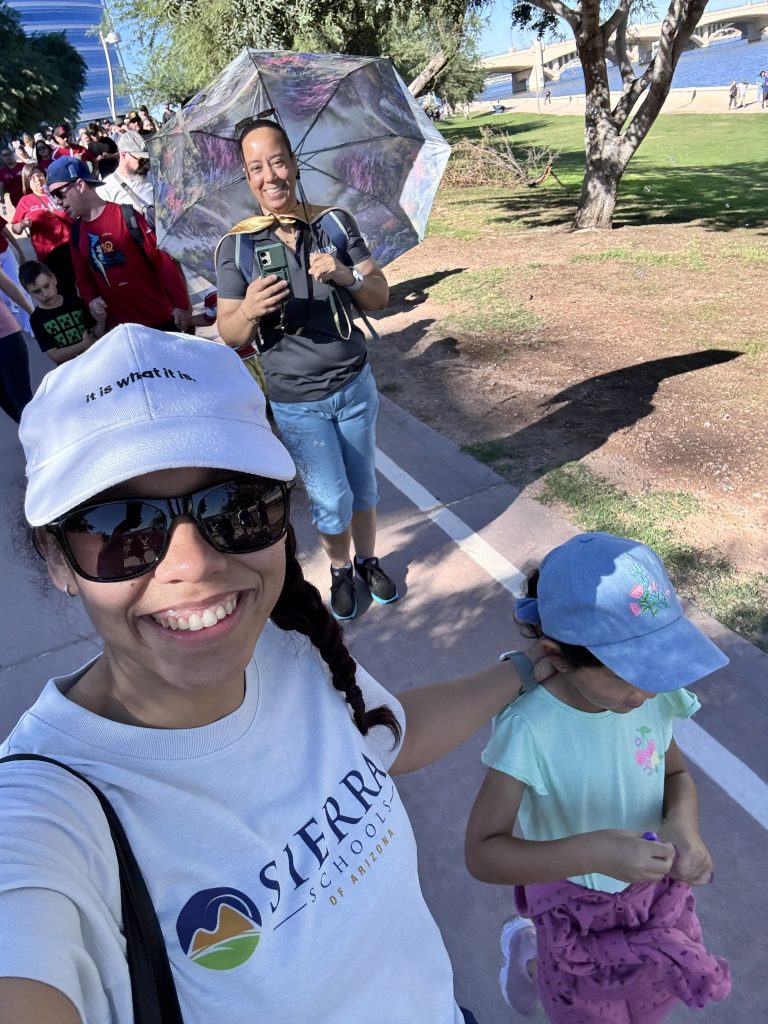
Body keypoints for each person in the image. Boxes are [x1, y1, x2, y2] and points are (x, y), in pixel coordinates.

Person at [0, 323, 551, 1023]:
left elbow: (388, 738)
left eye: (234, 508)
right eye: (122, 528)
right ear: (57, 560)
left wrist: (527, 668)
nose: (193, 565)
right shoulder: (44, 814)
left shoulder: (290, 651)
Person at [465, 532, 732, 1021]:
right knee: (587, 1008)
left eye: (658, 664)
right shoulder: (529, 728)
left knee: (652, 1000)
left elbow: (674, 773)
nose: (650, 688)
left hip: (655, 892)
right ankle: (529, 962)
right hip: (574, 907)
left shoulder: (653, 696)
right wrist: (594, 852)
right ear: (558, 653)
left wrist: (684, 828)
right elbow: (483, 850)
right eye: (631, 671)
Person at [216, 118, 397, 621]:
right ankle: (339, 570)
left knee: (364, 487)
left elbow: (379, 295)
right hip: (297, 402)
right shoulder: (237, 247)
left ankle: (366, 561)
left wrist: (345, 274)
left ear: (294, 164)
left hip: (354, 385)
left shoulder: (334, 223)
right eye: (257, 167)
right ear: (247, 177)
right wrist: (250, 308)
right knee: (331, 498)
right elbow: (229, 334)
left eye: (277, 161)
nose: (270, 175)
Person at [46, 156, 190, 332]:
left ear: (80, 185)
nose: (57, 202)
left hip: (160, 321)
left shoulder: (126, 215)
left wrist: (181, 304)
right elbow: (83, 280)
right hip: (121, 333)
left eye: (58, 193)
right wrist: (92, 300)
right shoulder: (76, 233)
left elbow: (162, 262)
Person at [19, 260, 105, 365]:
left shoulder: (75, 301)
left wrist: (101, 320)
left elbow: (97, 334)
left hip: (95, 360)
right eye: (37, 291)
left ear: (54, 279)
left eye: (46, 286)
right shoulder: (36, 319)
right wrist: (84, 344)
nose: (45, 294)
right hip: (69, 371)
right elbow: (56, 356)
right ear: (28, 293)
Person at [10, 164, 77, 298]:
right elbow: (15, 228)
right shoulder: (25, 201)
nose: (37, 179)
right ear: (27, 182)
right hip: (50, 255)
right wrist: (22, 224)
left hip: (72, 245)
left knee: (86, 282)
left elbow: (75, 214)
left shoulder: (56, 192)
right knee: (65, 291)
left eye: (39, 175)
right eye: (32, 178)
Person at [0, 266, 34, 423]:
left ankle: (42, 440)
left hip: (7, 335)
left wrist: (33, 314)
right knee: (4, 398)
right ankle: (30, 436)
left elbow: (7, 285)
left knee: (21, 397)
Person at [96, 130, 154, 221]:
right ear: (123, 154)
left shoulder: (154, 176)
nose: (146, 165)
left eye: (147, 160)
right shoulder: (105, 190)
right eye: (141, 160)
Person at [0, 211, 31, 333]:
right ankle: (14, 326)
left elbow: (5, 231)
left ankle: (31, 324)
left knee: (20, 287)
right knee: (4, 298)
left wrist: (20, 250)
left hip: (5, 253)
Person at [0, 146, 25, 216]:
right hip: (16, 200)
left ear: (12, 154)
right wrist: (2, 201)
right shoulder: (2, 172)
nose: (7, 157)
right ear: (2, 158)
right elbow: (1, 187)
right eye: (4, 155)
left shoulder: (22, 166)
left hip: (27, 195)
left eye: (9, 154)